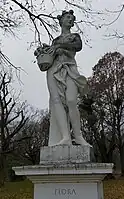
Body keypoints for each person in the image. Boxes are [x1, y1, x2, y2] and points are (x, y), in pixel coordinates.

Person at [46, 10, 92, 147]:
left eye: (72, 18)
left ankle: (78, 136)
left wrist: (59, 46)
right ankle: (65, 137)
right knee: (57, 102)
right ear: (61, 21)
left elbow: (78, 47)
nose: (70, 20)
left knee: (71, 101)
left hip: (70, 69)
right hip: (54, 71)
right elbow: (50, 56)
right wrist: (43, 51)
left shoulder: (75, 37)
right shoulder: (55, 40)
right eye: (67, 17)